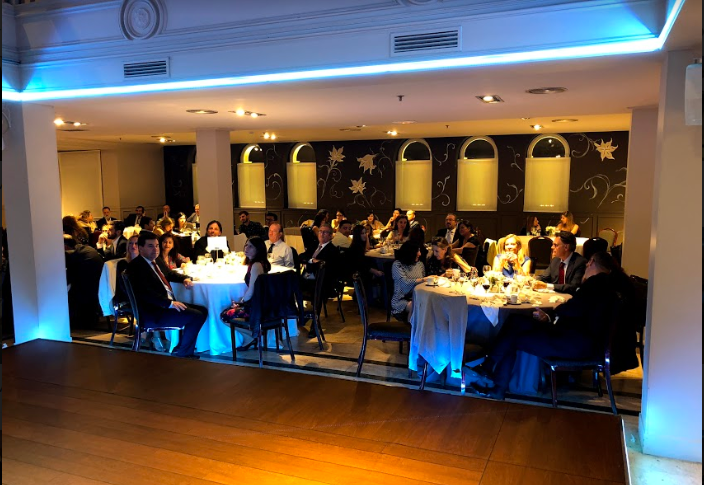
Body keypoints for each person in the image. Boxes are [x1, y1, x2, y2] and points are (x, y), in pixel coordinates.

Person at [471, 252, 628, 400]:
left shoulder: (596, 284)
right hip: (578, 338)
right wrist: (550, 316)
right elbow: (580, 310)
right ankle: (489, 368)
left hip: (576, 344)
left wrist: (555, 311)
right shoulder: (608, 284)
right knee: (515, 320)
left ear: (591, 262)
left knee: (514, 337)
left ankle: (495, 384)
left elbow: (572, 309)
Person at [127, 231, 207, 359]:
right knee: (196, 315)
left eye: (157, 246)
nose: (155, 249)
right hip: (153, 312)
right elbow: (146, 294)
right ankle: (183, 352)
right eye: (150, 246)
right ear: (140, 248)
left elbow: (169, 274)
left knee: (203, 310)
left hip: (162, 306)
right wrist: (169, 303)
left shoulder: (155, 261)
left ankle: (181, 348)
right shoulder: (136, 267)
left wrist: (185, 278)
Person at [232, 236, 272, 351]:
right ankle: (253, 335)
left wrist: (241, 303)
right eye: (246, 245)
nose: (246, 248)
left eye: (251, 246)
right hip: (262, 304)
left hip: (256, 308)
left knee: (224, 316)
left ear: (258, 249)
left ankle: (250, 336)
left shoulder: (256, 265)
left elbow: (251, 290)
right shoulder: (261, 263)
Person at [301, 223, 340, 337]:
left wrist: (310, 263)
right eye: (320, 231)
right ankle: (299, 316)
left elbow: (326, 267)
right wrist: (312, 261)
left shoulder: (332, 250)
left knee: (316, 292)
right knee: (289, 285)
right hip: (308, 278)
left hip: (324, 282)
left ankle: (314, 325)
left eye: (325, 232)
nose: (322, 234)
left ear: (330, 236)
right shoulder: (314, 246)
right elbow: (301, 256)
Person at [64, 234, 104, 329]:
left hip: (85, 295)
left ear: (65, 246)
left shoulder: (72, 254)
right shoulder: (87, 249)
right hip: (98, 290)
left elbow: (68, 277)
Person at [391, 241, 425, 322]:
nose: (420, 254)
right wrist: (423, 280)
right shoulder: (397, 265)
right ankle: (410, 328)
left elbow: (422, 284)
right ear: (410, 253)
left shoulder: (420, 265)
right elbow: (404, 283)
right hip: (401, 299)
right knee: (414, 306)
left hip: (417, 297)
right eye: (417, 251)